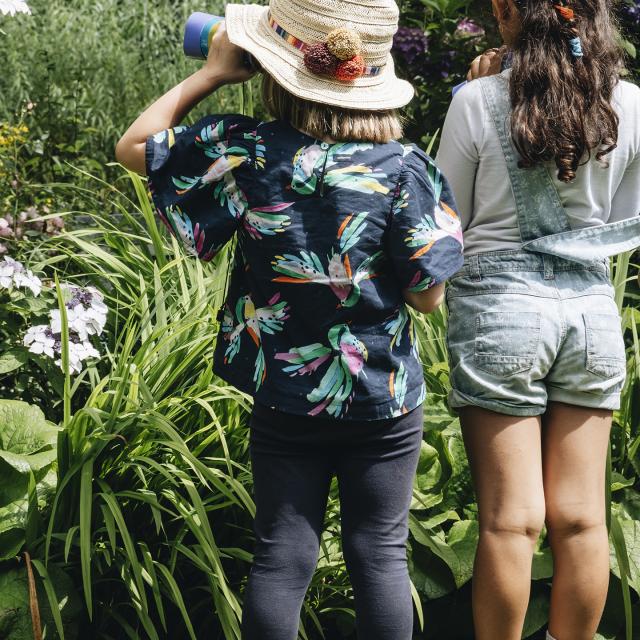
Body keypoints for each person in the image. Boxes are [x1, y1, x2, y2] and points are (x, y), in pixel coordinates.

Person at [115, 1, 465, 638]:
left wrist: (213, 74)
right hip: (381, 399)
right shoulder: (404, 167)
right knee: (380, 554)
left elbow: (134, 146)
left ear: (272, 69)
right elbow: (426, 297)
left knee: (282, 555)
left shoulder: (245, 151)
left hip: (285, 396)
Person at [435, 1, 640, 639]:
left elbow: (445, 228)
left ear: (504, 11)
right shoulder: (630, 103)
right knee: (583, 519)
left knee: (509, 521)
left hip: (501, 316)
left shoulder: (475, 100)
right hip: (590, 316)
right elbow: (623, 223)